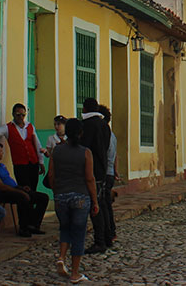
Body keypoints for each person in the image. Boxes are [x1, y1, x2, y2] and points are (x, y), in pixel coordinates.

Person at [49, 118, 99, 283]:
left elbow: (51, 177)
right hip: (80, 197)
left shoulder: (56, 151)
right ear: (81, 133)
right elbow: (90, 179)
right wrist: (95, 201)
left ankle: (62, 257)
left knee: (65, 228)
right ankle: (75, 273)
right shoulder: (85, 152)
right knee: (78, 233)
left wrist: (57, 193)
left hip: (61, 197)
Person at [0, 141, 49, 237]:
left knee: (43, 198)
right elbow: (1, 186)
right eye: (1, 152)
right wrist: (20, 192)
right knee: (22, 198)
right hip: (2, 193)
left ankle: (33, 225)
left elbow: (9, 181)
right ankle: (23, 227)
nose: (2, 153)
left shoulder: (1, 166)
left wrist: (21, 188)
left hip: (13, 189)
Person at [0, 103, 46, 191]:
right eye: (18, 115)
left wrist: (41, 161)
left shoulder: (30, 126)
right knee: (24, 189)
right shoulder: (8, 127)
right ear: (13, 114)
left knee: (33, 188)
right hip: (20, 164)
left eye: (23, 115)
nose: (21, 117)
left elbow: (37, 144)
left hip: (33, 162)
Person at [80, 98, 110, 254]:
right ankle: (107, 236)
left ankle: (99, 241)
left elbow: (84, 148)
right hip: (102, 168)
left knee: (95, 205)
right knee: (102, 203)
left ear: (85, 109)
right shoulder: (104, 125)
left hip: (92, 169)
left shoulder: (88, 125)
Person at [99, 105, 118, 246]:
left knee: (104, 205)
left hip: (104, 173)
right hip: (110, 172)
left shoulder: (103, 135)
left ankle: (108, 233)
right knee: (106, 205)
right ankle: (110, 232)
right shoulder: (112, 136)